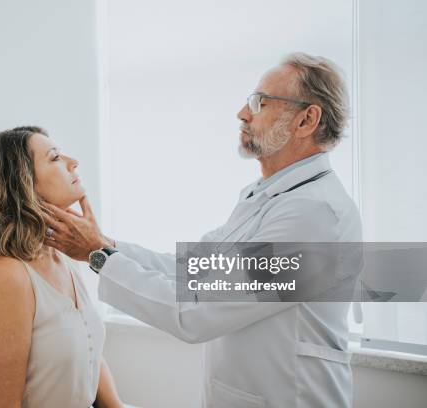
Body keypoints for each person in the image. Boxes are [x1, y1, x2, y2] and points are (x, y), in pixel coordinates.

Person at [44, 53, 362, 407]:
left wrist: (99, 256)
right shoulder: (268, 197)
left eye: (260, 102)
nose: (243, 113)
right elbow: (191, 268)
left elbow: (197, 312)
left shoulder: (314, 216)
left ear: (307, 119)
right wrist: (104, 244)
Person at [0, 126, 123, 408]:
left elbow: (87, 346)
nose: (73, 162)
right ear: (23, 184)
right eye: (55, 157)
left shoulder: (63, 258)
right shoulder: (3, 275)